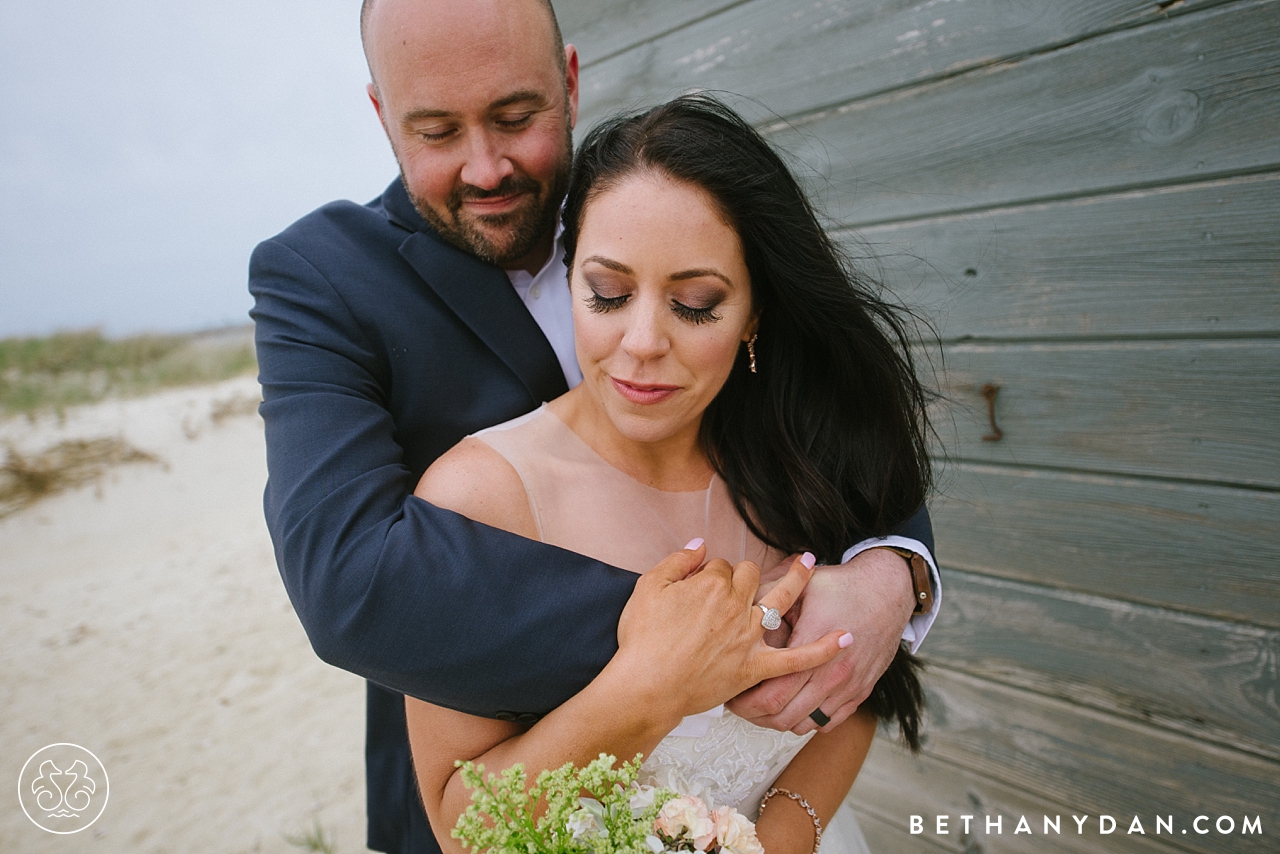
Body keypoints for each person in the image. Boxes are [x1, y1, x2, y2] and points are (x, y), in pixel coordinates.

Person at [248, 1, 939, 852]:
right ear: (382, 115)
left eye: (516, 116)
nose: (486, 165)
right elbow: (349, 580)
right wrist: (702, 639)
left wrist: (890, 571)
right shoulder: (321, 277)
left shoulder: (665, 195)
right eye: (435, 131)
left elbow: (832, 409)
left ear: (568, 82)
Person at [407, 94, 931, 854]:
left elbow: (860, 690)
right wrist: (654, 687)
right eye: (608, 294)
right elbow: (463, 829)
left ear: (755, 313)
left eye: (694, 304)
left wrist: (779, 839)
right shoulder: (476, 501)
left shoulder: (802, 453)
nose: (642, 341)